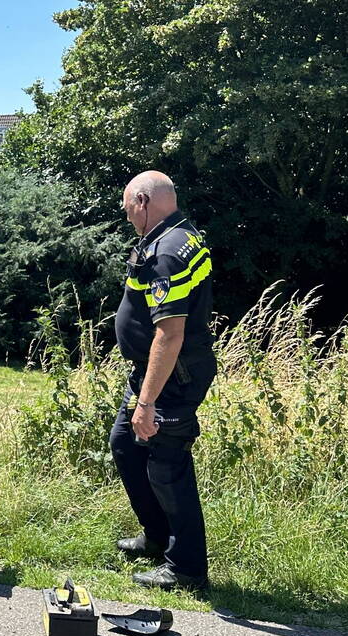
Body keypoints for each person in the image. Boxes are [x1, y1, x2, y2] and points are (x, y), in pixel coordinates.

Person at [111, 170, 216, 591]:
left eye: (128, 210)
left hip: (172, 378)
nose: (128, 218)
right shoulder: (183, 234)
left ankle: (186, 568)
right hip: (156, 374)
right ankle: (157, 536)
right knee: (125, 446)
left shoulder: (168, 251)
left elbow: (169, 333)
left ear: (141, 200)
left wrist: (147, 402)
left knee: (168, 468)